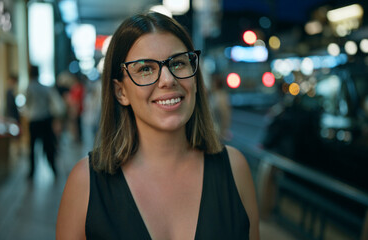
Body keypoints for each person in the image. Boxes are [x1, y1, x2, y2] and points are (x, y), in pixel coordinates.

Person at [56, 12, 259, 240]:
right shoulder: (86, 183)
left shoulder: (234, 169)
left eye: (179, 63)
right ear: (120, 92)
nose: (168, 80)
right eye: (145, 69)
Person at [25, 66, 57, 178]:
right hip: (45, 119)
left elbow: (27, 104)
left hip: (34, 119)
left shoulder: (29, 87)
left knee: (32, 147)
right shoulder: (44, 87)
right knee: (48, 145)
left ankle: (32, 172)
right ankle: (54, 169)